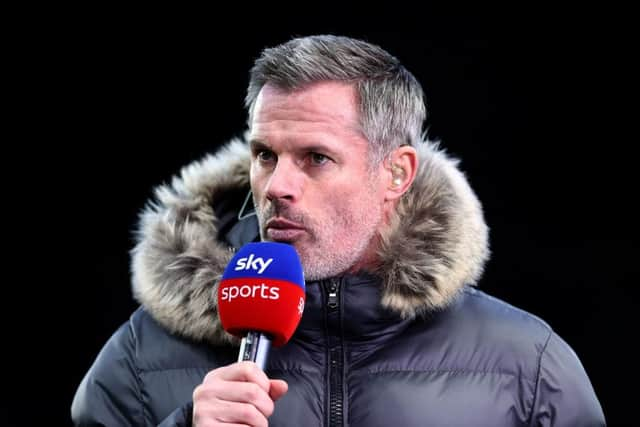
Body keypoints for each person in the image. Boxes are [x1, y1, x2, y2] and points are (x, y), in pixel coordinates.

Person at [71, 35, 605, 426]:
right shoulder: (143, 356)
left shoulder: (526, 366)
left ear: (395, 173)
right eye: (264, 155)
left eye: (316, 158)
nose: (277, 185)